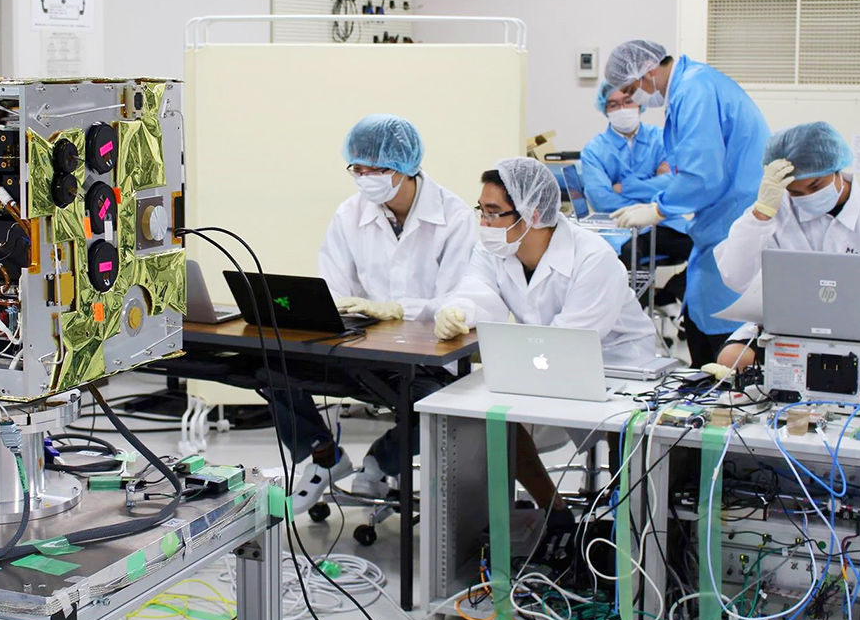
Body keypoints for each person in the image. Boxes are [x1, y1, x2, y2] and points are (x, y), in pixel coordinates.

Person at [272, 114, 476, 514]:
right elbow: (333, 288)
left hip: (427, 357)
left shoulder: (454, 218)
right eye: (358, 169)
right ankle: (324, 456)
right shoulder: (349, 214)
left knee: (438, 406)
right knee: (273, 366)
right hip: (364, 350)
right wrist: (335, 311)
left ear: (406, 166)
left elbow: (456, 299)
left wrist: (400, 310)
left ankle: (382, 461)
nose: (366, 179)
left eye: (376, 170)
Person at [434, 157, 656, 509]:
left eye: (493, 213)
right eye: (482, 211)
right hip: (545, 357)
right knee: (495, 422)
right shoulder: (494, 249)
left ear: (532, 215)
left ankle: (623, 523)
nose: (483, 223)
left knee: (626, 440)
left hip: (619, 361)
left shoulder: (593, 257)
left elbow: (574, 339)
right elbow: (478, 291)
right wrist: (458, 309)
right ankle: (554, 510)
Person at [604, 40, 770, 366]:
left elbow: (702, 175)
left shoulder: (694, 90)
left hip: (732, 225)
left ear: (647, 72)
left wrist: (659, 208)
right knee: (702, 318)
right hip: (721, 222)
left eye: (632, 89)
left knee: (723, 352)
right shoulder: (693, 85)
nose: (635, 98)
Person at [713, 122, 860, 369]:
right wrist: (760, 215)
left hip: (859, 334)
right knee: (731, 359)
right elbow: (736, 277)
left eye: (815, 186)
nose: (808, 197)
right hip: (786, 329)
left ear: (836, 169)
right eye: (796, 192)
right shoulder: (774, 211)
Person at [580, 82, 692, 306]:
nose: (622, 109)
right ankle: (635, 314)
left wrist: (625, 187)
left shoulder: (661, 139)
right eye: (613, 104)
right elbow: (601, 198)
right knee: (629, 255)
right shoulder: (594, 150)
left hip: (664, 223)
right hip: (623, 227)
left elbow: (676, 184)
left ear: (639, 103)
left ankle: (669, 295)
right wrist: (654, 185)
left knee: (708, 247)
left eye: (627, 101)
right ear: (605, 110)